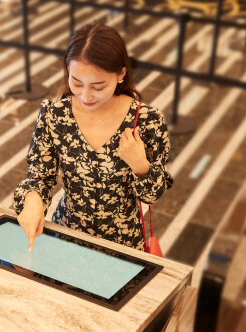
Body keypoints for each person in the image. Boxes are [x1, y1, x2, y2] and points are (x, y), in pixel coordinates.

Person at [13, 22, 173, 252]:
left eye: (98, 86)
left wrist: (141, 167)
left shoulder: (147, 120)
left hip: (123, 245)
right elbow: (40, 177)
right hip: (67, 237)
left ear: (121, 75)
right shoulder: (54, 114)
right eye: (76, 82)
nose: (85, 96)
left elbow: (152, 196)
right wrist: (33, 199)